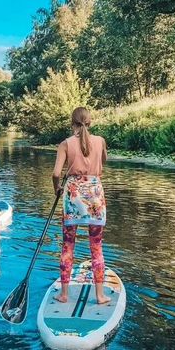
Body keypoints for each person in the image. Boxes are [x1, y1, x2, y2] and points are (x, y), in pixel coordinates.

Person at [52, 107, 110, 305]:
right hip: (95, 196)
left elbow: (56, 173)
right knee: (97, 247)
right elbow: (103, 162)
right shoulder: (100, 141)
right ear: (90, 123)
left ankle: (64, 294)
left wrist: (57, 188)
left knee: (68, 245)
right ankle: (100, 296)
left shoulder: (65, 144)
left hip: (73, 197)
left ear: (72, 124)